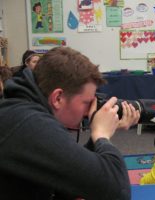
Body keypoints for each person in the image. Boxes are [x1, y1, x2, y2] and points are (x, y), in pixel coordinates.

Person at [0, 47, 140, 199]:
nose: (89, 112)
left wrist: (97, 137)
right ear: (58, 98)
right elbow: (118, 192)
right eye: (86, 103)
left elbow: (69, 175)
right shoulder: (27, 123)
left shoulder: (23, 109)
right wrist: (102, 136)